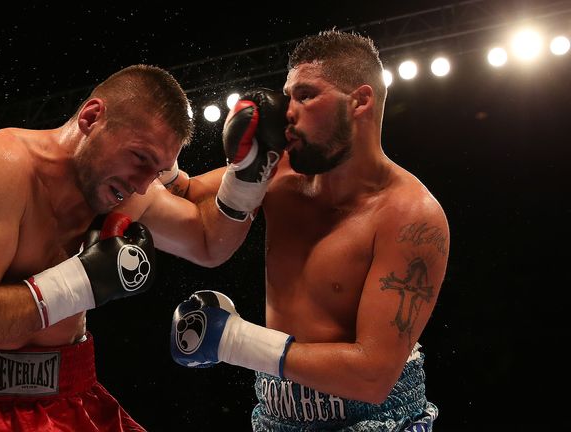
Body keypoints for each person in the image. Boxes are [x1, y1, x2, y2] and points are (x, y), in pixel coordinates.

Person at [0, 64, 250, 431]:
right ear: (92, 117)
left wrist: (249, 176)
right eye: (140, 157)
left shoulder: (125, 190)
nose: (142, 185)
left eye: (156, 171)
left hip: (71, 396)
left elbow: (208, 243)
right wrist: (83, 281)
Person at [127, 30, 449, 431]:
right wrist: (157, 150)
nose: (287, 111)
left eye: (306, 95)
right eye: (287, 94)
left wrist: (234, 341)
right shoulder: (278, 170)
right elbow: (186, 195)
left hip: (376, 419)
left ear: (361, 101)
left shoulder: (411, 218)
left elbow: (373, 376)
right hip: (275, 411)